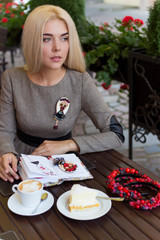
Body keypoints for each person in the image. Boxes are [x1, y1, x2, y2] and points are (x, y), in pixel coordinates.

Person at [0, 5, 124, 183]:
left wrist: (69, 144)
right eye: (47, 39)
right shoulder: (11, 78)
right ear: (32, 41)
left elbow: (116, 134)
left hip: (64, 165)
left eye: (64, 38)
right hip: (21, 164)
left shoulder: (80, 81)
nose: (57, 47)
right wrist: (6, 152)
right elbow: (5, 130)